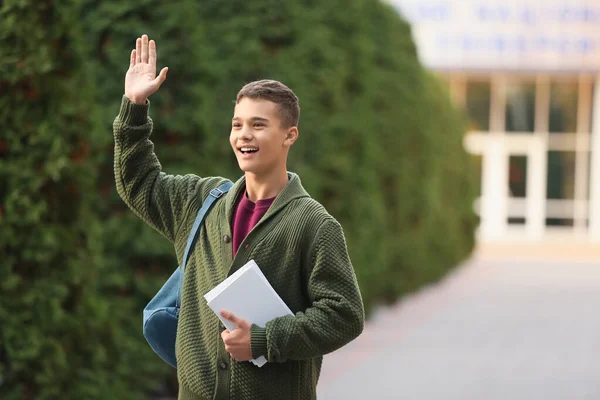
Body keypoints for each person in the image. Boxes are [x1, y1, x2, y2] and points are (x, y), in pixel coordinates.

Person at [114, 34, 365, 400]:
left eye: (258, 125)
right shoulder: (202, 200)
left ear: (289, 135)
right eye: (237, 124)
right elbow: (139, 182)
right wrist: (135, 105)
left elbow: (344, 315)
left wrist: (265, 340)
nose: (244, 135)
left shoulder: (313, 223)